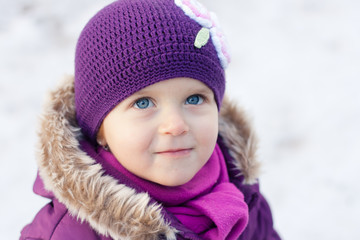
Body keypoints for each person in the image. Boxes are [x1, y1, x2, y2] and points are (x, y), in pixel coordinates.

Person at [20, 0, 281, 239]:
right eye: (143, 103)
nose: (176, 125)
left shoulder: (241, 189)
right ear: (100, 131)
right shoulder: (72, 233)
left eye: (194, 99)